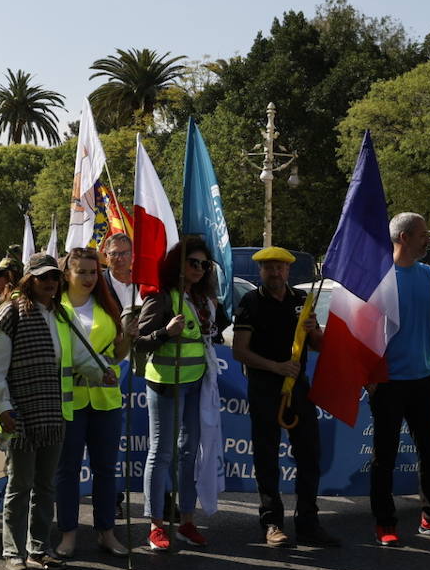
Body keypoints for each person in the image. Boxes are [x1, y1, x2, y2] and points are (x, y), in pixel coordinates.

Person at [0, 253, 114, 570]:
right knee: (20, 485)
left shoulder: (60, 314)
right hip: (21, 416)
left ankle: (37, 549)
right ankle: (13, 553)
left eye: (54, 278)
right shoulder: (9, 313)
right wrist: (4, 408)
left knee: (45, 487)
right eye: (43, 277)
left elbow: (80, 356)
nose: (50, 283)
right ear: (29, 279)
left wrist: (103, 373)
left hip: (53, 417)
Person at [369, 213, 430, 547]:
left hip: (423, 377)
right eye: (424, 234)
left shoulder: (426, 274)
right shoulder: (380, 277)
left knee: (429, 451)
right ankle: (384, 523)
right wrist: (368, 373)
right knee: (385, 455)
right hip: (389, 381)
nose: (429, 239)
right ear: (406, 237)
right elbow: (364, 329)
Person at [232, 246, 339, 548]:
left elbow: (318, 345)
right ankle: (272, 523)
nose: (275, 273)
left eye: (280, 267)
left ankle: (308, 523)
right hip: (264, 388)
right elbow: (240, 351)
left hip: (299, 389)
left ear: (288, 271)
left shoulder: (302, 301)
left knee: (309, 456)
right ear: (261, 271)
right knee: (266, 458)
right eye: (269, 268)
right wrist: (276, 366)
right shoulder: (250, 302)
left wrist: (314, 330)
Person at [135, 235, 228, 552]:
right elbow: (140, 341)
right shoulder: (162, 298)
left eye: (205, 264)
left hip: (197, 383)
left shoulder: (204, 300)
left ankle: (187, 521)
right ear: (179, 264)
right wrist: (165, 332)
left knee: (190, 453)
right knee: (162, 452)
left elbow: (217, 333)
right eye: (194, 263)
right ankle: (156, 525)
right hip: (165, 382)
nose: (200, 269)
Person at [55, 247, 136, 558]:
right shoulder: (55, 307)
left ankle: (106, 531)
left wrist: (128, 335)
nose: (89, 278)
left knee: (106, 469)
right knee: (67, 470)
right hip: (69, 401)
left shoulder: (107, 306)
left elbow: (117, 355)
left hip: (105, 401)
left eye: (93, 272)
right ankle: (67, 534)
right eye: (82, 272)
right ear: (67, 274)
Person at [101, 231, 137, 312]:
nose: (120, 259)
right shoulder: (99, 283)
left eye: (125, 253)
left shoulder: (142, 283)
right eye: (114, 254)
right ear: (105, 256)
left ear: (132, 255)